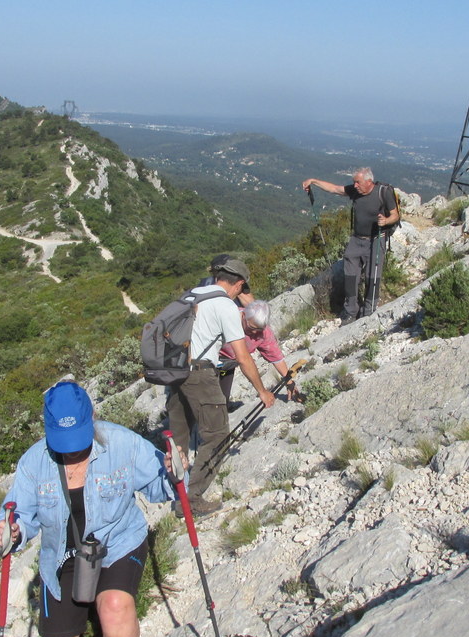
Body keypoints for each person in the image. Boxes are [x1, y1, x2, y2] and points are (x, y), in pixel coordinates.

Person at [0, 381, 177, 637]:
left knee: (115, 606)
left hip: (118, 541)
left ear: (92, 416)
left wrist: (173, 471)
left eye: (79, 435)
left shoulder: (122, 443)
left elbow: (160, 486)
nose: (72, 451)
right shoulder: (34, 463)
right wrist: (11, 531)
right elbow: (18, 516)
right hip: (62, 555)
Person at [166, 257, 275, 516]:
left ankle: (176, 489)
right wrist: (262, 390)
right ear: (237, 284)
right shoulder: (224, 305)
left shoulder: (193, 295)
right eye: (243, 288)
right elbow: (242, 356)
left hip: (175, 371)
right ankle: (191, 499)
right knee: (217, 435)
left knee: (179, 436)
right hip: (200, 373)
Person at [302, 167, 399, 324]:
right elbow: (335, 189)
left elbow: (395, 215)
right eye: (354, 182)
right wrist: (313, 181)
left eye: (357, 182)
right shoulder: (355, 192)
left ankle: (369, 310)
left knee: (372, 276)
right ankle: (350, 311)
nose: (354, 185)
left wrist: (386, 221)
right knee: (350, 276)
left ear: (369, 182)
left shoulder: (383, 192)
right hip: (356, 239)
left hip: (377, 238)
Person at [217, 299, 301, 406]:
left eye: (259, 329)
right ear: (243, 316)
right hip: (209, 359)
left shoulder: (264, 332)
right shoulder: (227, 318)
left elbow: (276, 357)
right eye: (251, 327)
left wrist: (289, 382)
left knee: (221, 401)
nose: (254, 332)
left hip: (228, 366)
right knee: (204, 396)